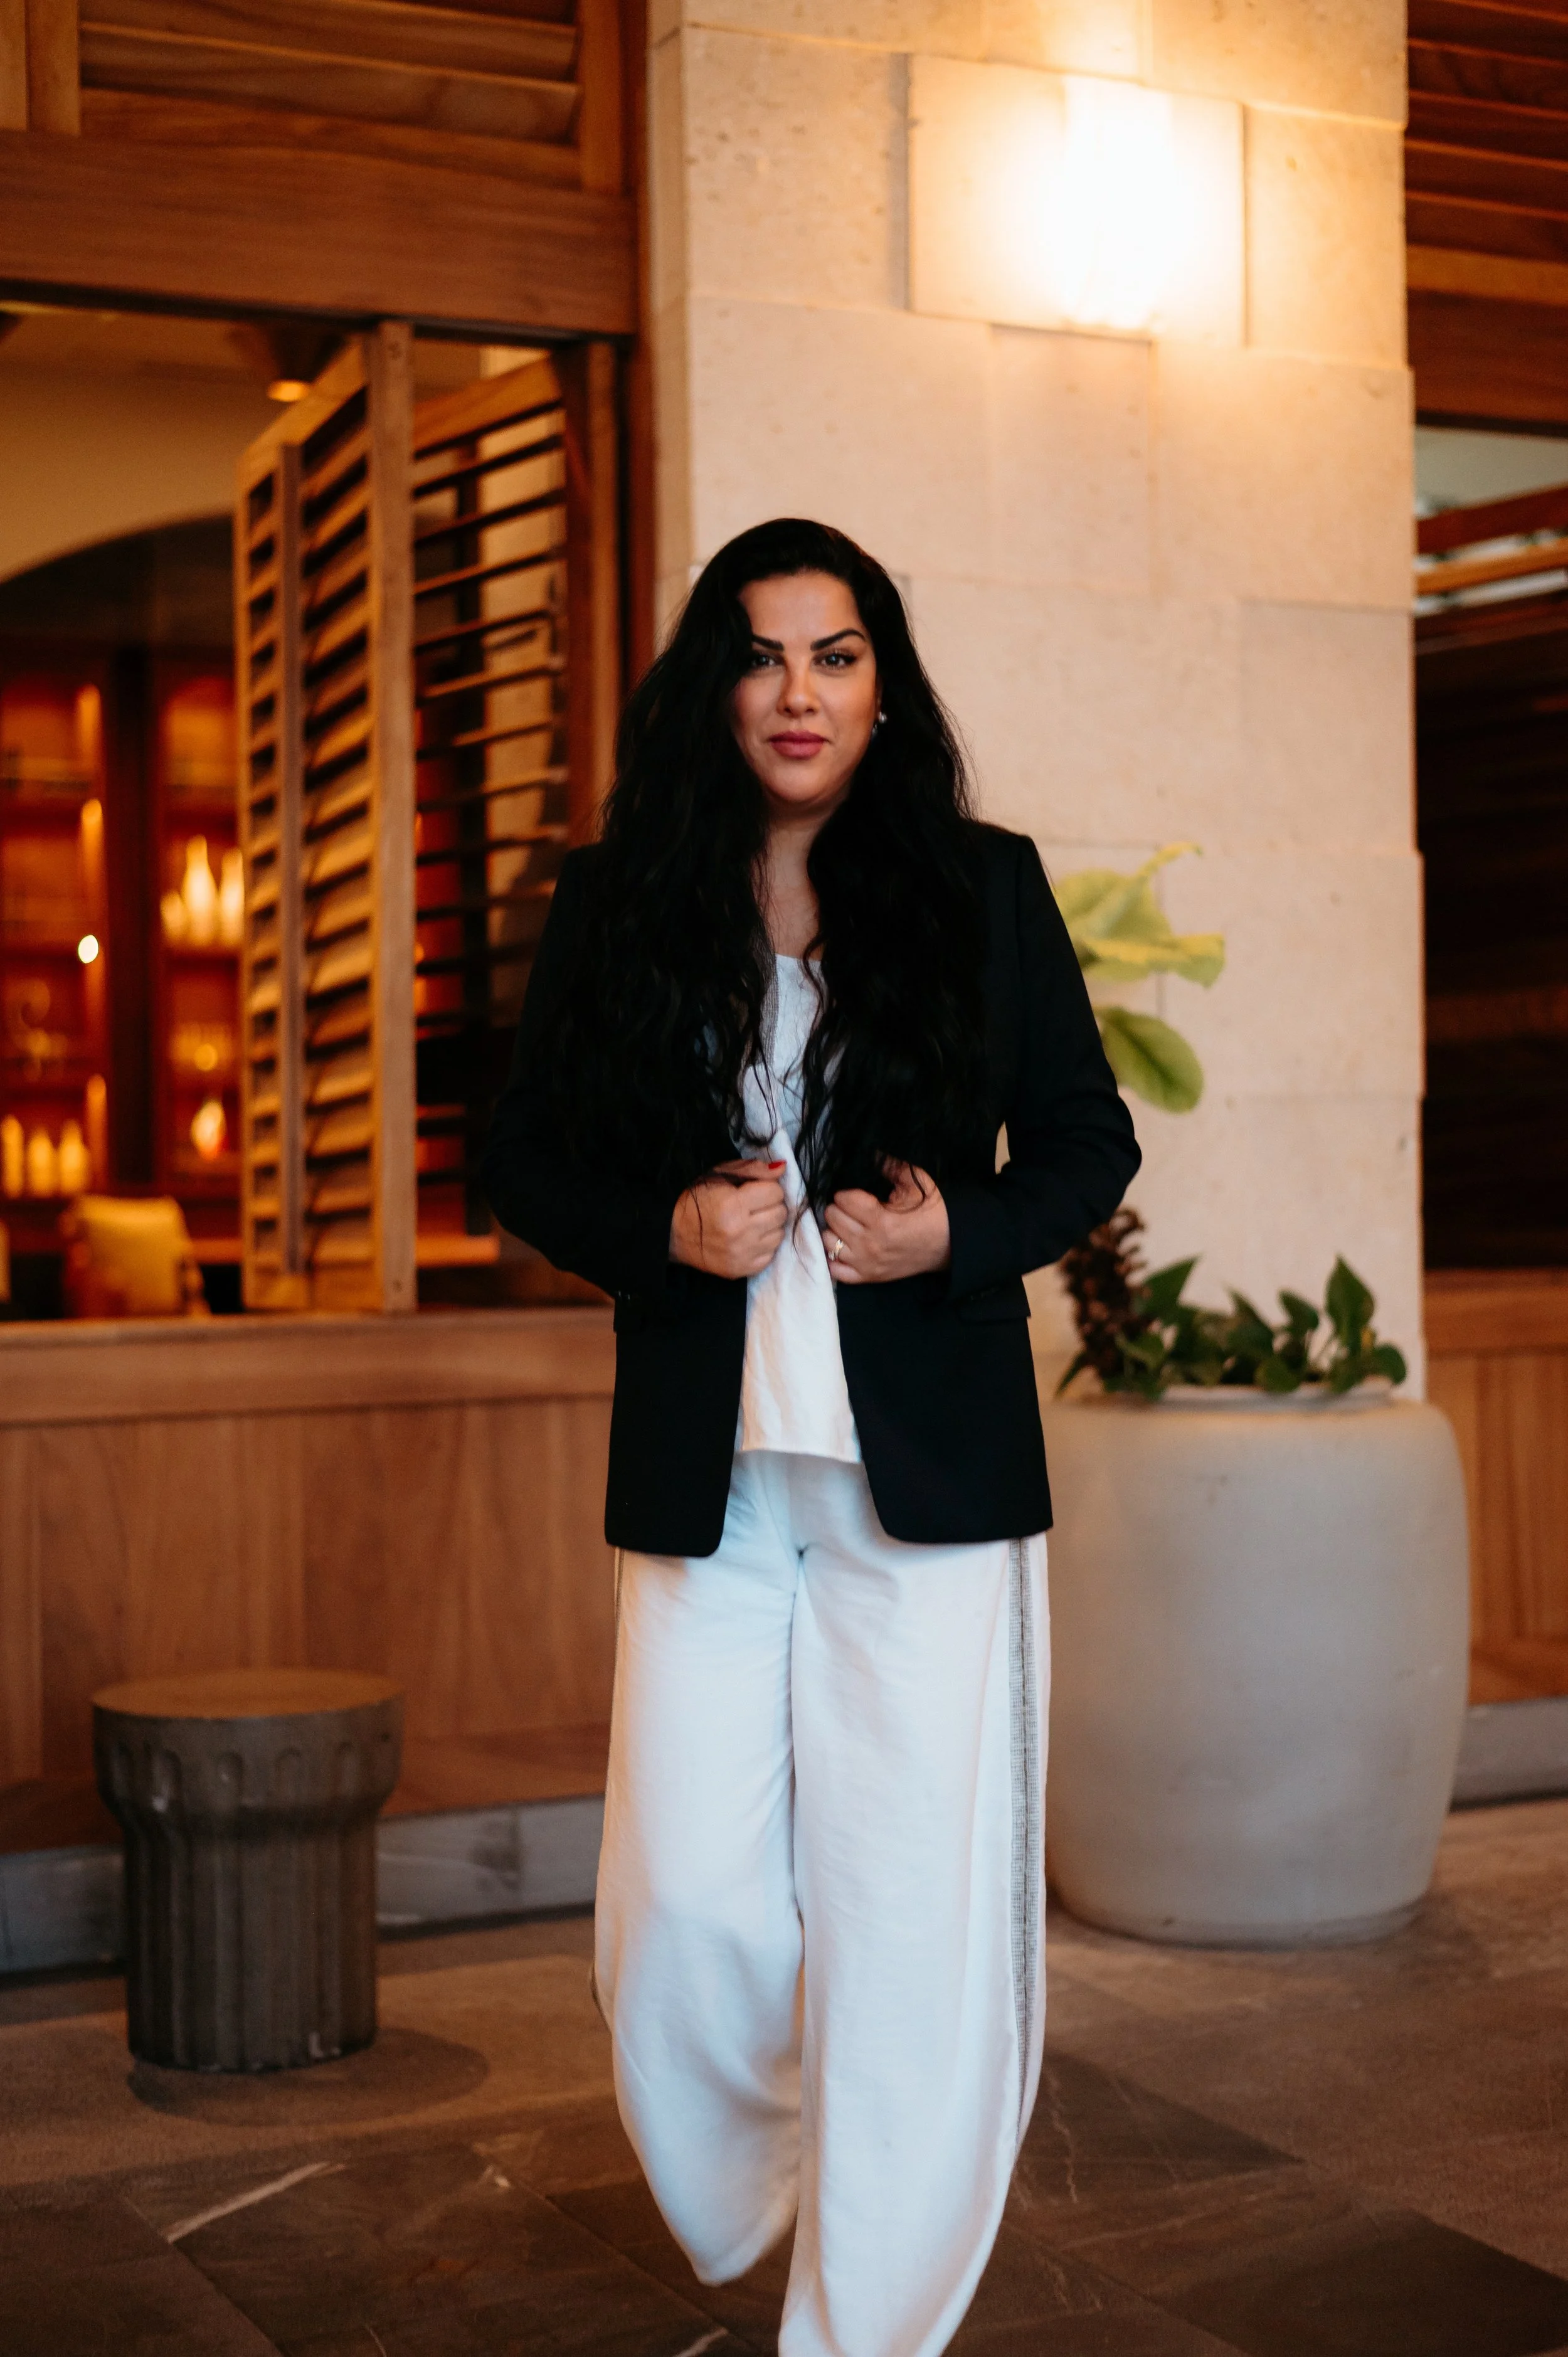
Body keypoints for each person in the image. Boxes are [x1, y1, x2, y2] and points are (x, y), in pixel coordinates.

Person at [484, 517, 1140, 2357]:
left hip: (922, 1489)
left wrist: (955, 1235)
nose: (797, 690)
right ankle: (763, 2178)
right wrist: (661, 1234)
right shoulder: (625, 896)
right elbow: (524, 1151)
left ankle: (866, 2319)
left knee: (908, 1918)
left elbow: (1087, 1145)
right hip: (710, 1479)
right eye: (762, 655)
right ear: (715, 685)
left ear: (881, 680)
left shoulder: (982, 886)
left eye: (834, 653)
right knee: (684, 1907)